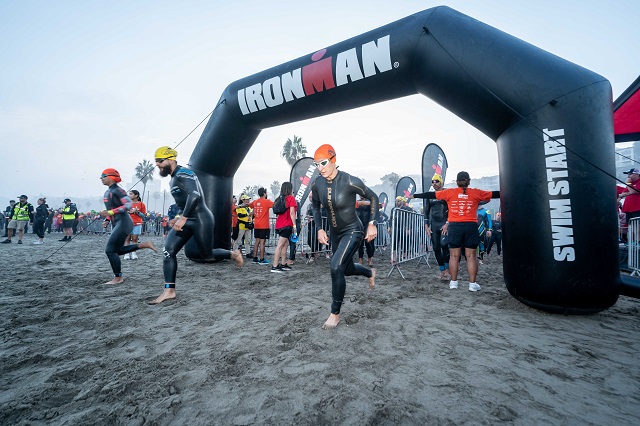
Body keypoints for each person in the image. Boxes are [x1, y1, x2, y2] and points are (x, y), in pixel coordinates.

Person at [150, 146, 243, 304]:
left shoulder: (184, 173)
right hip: (187, 219)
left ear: (171, 159)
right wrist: (178, 217)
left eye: (159, 160)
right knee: (168, 251)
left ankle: (233, 254)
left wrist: (183, 218)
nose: (157, 164)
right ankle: (169, 291)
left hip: (201, 218)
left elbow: (194, 194)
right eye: (156, 161)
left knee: (207, 255)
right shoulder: (173, 178)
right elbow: (183, 202)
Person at [310, 144, 378, 329]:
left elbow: (373, 197)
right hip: (335, 233)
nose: (320, 168)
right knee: (345, 269)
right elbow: (315, 206)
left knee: (335, 266)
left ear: (333, 160)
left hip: (353, 230)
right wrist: (319, 229)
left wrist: (372, 223)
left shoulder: (349, 180)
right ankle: (370, 272)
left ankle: (335, 314)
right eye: (317, 164)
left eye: (323, 163)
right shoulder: (318, 183)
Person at [413, 171, 499, 292]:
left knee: (453, 256)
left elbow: (430, 195)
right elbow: (495, 194)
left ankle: (453, 282)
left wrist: (415, 196)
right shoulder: (476, 192)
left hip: (455, 227)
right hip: (470, 226)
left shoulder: (450, 192)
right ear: (468, 181)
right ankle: (472, 284)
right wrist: (509, 191)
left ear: (457, 182)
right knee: (471, 256)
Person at [99, 168, 157, 284]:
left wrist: (110, 213)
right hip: (117, 223)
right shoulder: (108, 191)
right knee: (118, 250)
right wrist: (107, 219)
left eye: (103, 176)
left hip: (124, 222)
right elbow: (112, 209)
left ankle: (118, 278)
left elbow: (128, 205)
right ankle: (144, 245)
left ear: (111, 177)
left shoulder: (118, 190)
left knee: (110, 251)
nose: (101, 178)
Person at [412, 174, 450, 280]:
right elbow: (426, 211)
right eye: (432, 182)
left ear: (441, 182)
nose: (434, 183)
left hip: (444, 224)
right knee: (436, 248)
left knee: (444, 245)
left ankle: (447, 270)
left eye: (436, 181)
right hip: (434, 225)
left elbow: (451, 209)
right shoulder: (430, 195)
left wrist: (447, 223)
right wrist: (426, 226)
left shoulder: (447, 193)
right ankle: (442, 270)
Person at [271, 182, 297, 273]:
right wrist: (294, 226)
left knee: (285, 245)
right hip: (286, 224)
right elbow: (292, 213)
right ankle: (274, 266)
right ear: (290, 189)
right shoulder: (291, 198)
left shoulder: (279, 199)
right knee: (280, 245)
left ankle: (283, 263)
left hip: (279, 224)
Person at [249, 188, 273, 264]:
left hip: (256, 225)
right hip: (264, 225)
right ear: (264, 193)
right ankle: (262, 259)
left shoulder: (255, 202)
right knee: (262, 242)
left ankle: (255, 258)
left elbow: (249, 205)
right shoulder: (267, 201)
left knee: (257, 242)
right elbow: (275, 205)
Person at [123, 189, 146, 260]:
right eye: (129, 194)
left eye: (131, 194)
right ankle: (126, 254)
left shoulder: (141, 204)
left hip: (137, 223)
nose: (129, 195)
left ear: (136, 195)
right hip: (127, 223)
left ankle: (134, 253)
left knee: (135, 239)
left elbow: (144, 216)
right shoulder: (127, 204)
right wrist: (128, 211)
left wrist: (137, 212)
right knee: (127, 239)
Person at [356, 195, 376, 266]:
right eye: (360, 194)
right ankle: (360, 260)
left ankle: (370, 259)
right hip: (359, 225)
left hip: (367, 225)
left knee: (368, 243)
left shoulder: (370, 202)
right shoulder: (357, 202)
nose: (361, 196)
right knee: (360, 244)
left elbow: (376, 207)